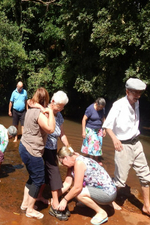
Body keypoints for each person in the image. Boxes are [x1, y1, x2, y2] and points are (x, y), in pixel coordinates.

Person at [102, 78, 150, 220]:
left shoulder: (136, 102)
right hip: (123, 145)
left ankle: (146, 206)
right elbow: (107, 125)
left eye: (140, 93)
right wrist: (115, 139)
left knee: (145, 176)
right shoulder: (118, 105)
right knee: (120, 179)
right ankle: (109, 200)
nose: (138, 96)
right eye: (135, 93)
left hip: (137, 143)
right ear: (127, 91)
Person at [19, 87, 55, 219]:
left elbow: (30, 101)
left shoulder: (30, 109)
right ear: (45, 100)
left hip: (23, 146)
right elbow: (50, 129)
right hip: (32, 151)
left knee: (32, 177)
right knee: (39, 178)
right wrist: (50, 112)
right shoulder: (39, 114)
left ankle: (25, 204)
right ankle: (30, 210)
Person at [56, 146, 117, 225]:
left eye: (62, 162)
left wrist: (65, 200)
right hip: (105, 190)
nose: (62, 165)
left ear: (66, 157)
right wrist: (55, 197)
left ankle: (101, 212)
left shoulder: (79, 163)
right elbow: (67, 183)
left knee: (79, 194)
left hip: (108, 193)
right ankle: (95, 202)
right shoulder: (73, 162)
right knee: (76, 194)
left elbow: (77, 188)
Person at [39, 91, 70, 221]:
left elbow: (61, 134)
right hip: (43, 148)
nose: (61, 109)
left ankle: (38, 196)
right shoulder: (45, 112)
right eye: (59, 106)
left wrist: (69, 148)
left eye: (63, 107)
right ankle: (55, 204)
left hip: (52, 148)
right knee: (55, 173)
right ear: (52, 102)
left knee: (46, 175)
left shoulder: (60, 116)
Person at [81, 98, 106, 165]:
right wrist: (83, 131)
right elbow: (84, 119)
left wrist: (104, 129)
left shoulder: (102, 109)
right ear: (96, 104)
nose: (100, 109)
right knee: (93, 143)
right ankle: (92, 159)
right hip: (90, 128)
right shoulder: (90, 109)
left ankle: (96, 158)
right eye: (100, 107)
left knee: (99, 143)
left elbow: (103, 118)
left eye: (102, 108)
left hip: (99, 129)